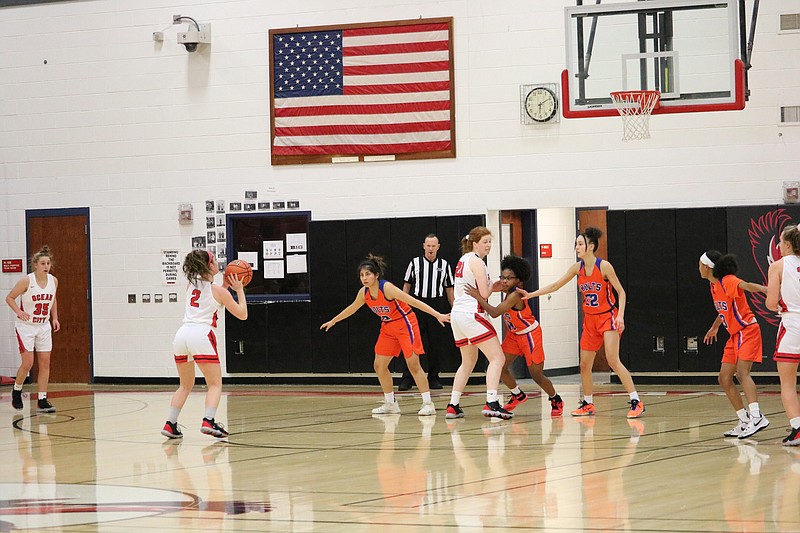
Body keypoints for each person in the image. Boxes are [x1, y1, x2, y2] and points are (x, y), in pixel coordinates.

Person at [517, 227, 644, 418]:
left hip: (608, 316)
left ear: (591, 246)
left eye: (580, 243)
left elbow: (622, 292)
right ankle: (588, 403)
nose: (576, 247)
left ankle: (636, 401)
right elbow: (555, 285)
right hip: (590, 320)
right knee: (584, 365)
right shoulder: (578, 268)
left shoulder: (605, 266)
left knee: (612, 360)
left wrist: (621, 316)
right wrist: (531, 294)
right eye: (576, 243)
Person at [320, 254, 449, 415]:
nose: (364, 278)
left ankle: (428, 403)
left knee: (413, 364)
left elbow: (413, 301)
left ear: (376, 275)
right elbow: (352, 308)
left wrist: (437, 314)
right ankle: (390, 403)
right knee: (379, 365)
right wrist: (334, 321)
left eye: (367, 274)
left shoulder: (386, 288)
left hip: (405, 323)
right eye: (361, 275)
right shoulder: (364, 293)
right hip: (388, 327)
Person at [161, 249, 247, 440]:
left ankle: (170, 423)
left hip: (182, 335)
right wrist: (239, 290)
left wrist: (225, 286)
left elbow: (210, 297)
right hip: (201, 335)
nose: (218, 262)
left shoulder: (190, 286)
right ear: (209, 266)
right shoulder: (219, 292)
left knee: (185, 385)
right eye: (215, 260)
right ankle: (208, 420)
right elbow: (242, 314)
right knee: (215, 384)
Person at [464, 255, 564, 416]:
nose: (504, 281)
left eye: (509, 278)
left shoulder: (515, 295)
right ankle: (517, 394)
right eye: (502, 277)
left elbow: (495, 312)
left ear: (519, 280)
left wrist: (478, 296)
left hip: (530, 334)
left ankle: (555, 398)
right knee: (500, 366)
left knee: (536, 375)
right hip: (514, 335)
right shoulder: (507, 290)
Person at [699, 250, 769, 439]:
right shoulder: (713, 287)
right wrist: (715, 327)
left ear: (706, 267)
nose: (698, 268)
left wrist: (763, 289)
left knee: (742, 373)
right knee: (724, 378)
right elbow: (724, 309)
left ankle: (757, 416)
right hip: (734, 335)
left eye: (699, 264)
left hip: (748, 330)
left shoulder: (727, 280)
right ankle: (744, 420)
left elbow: (745, 285)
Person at [447, 226, 513, 420]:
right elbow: (483, 294)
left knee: (467, 362)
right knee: (497, 358)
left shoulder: (463, 259)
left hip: (458, 315)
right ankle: (492, 402)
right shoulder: (476, 261)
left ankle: (453, 404)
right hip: (471, 314)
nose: (488, 245)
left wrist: (492, 284)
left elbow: (477, 287)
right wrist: (493, 285)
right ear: (474, 244)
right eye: (485, 242)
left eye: (490, 242)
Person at [397, 234, 455, 391]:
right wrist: (404, 306)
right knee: (412, 344)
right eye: (428, 245)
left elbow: (449, 289)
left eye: (433, 246)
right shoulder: (414, 263)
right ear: (423, 246)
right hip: (416, 305)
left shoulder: (444, 265)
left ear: (438, 247)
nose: (430, 248)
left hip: (436, 306)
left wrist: (454, 309)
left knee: (435, 344)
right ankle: (407, 379)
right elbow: (407, 286)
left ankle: (434, 378)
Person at [6, 245, 60, 413]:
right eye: (42, 263)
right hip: (26, 327)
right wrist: (19, 312)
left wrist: (55, 318)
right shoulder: (27, 281)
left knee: (45, 363)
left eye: (48, 263)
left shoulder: (53, 280)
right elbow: (10, 298)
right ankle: (17, 389)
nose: (46, 266)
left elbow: (53, 299)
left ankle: (42, 400)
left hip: (43, 326)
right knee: (28, 363)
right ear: (35, 264)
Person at [766, 225, 800, 445]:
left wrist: (778, 303)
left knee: (787, 383)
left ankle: (797, 429)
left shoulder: (778, 266)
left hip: (792, 326)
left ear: (787, 244)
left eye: (780, 242)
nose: (777, 245)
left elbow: (770, 303)